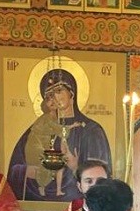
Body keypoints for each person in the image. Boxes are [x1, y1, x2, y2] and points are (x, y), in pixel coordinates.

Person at [7, 68, 111, 203]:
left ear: (71, 93)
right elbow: (14, 170)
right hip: (35, 207)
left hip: (81, 208)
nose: (54, 98)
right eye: (49, 95)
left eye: (59, 91)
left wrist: (75, 167)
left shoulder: (92, 131)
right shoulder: (39, 128)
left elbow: (101, 180)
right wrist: (33, 170)